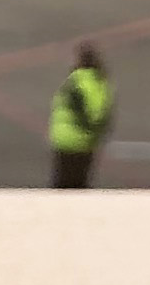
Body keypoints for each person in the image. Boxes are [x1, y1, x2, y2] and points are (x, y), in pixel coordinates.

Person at [49, 43, 115, 189]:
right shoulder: (94, 81)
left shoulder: (78, 80)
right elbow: (98, 114)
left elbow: (91, 112)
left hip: (67, 140)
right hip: (80, 141)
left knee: (64, 184)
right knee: (77, 184)